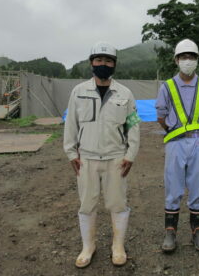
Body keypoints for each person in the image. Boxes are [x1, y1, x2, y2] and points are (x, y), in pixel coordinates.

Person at [63, 41, 141, 268]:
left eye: (108, 61)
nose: (103, 65)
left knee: (118, 203)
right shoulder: (78, 92)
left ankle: (118, 246)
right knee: (87, 204)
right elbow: (71, 125)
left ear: (114, 65)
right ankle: (88, 246)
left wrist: (131, 154)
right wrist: (70, 153)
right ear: (91, 63)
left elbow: (133, 125)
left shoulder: (125, 94)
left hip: (117, 157)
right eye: (99, 60)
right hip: (86, 158)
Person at [155, 38, 199, 253]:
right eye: (184, 57)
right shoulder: (168, 86)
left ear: (197, 60)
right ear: (176, 60)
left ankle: (197, 233)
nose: (187, 60)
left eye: (191, 57)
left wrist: (198, 131)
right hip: (175, 142)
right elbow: (161, 116)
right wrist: (175, 131)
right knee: (173, 187)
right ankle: (170, 234)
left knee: (197, 185)